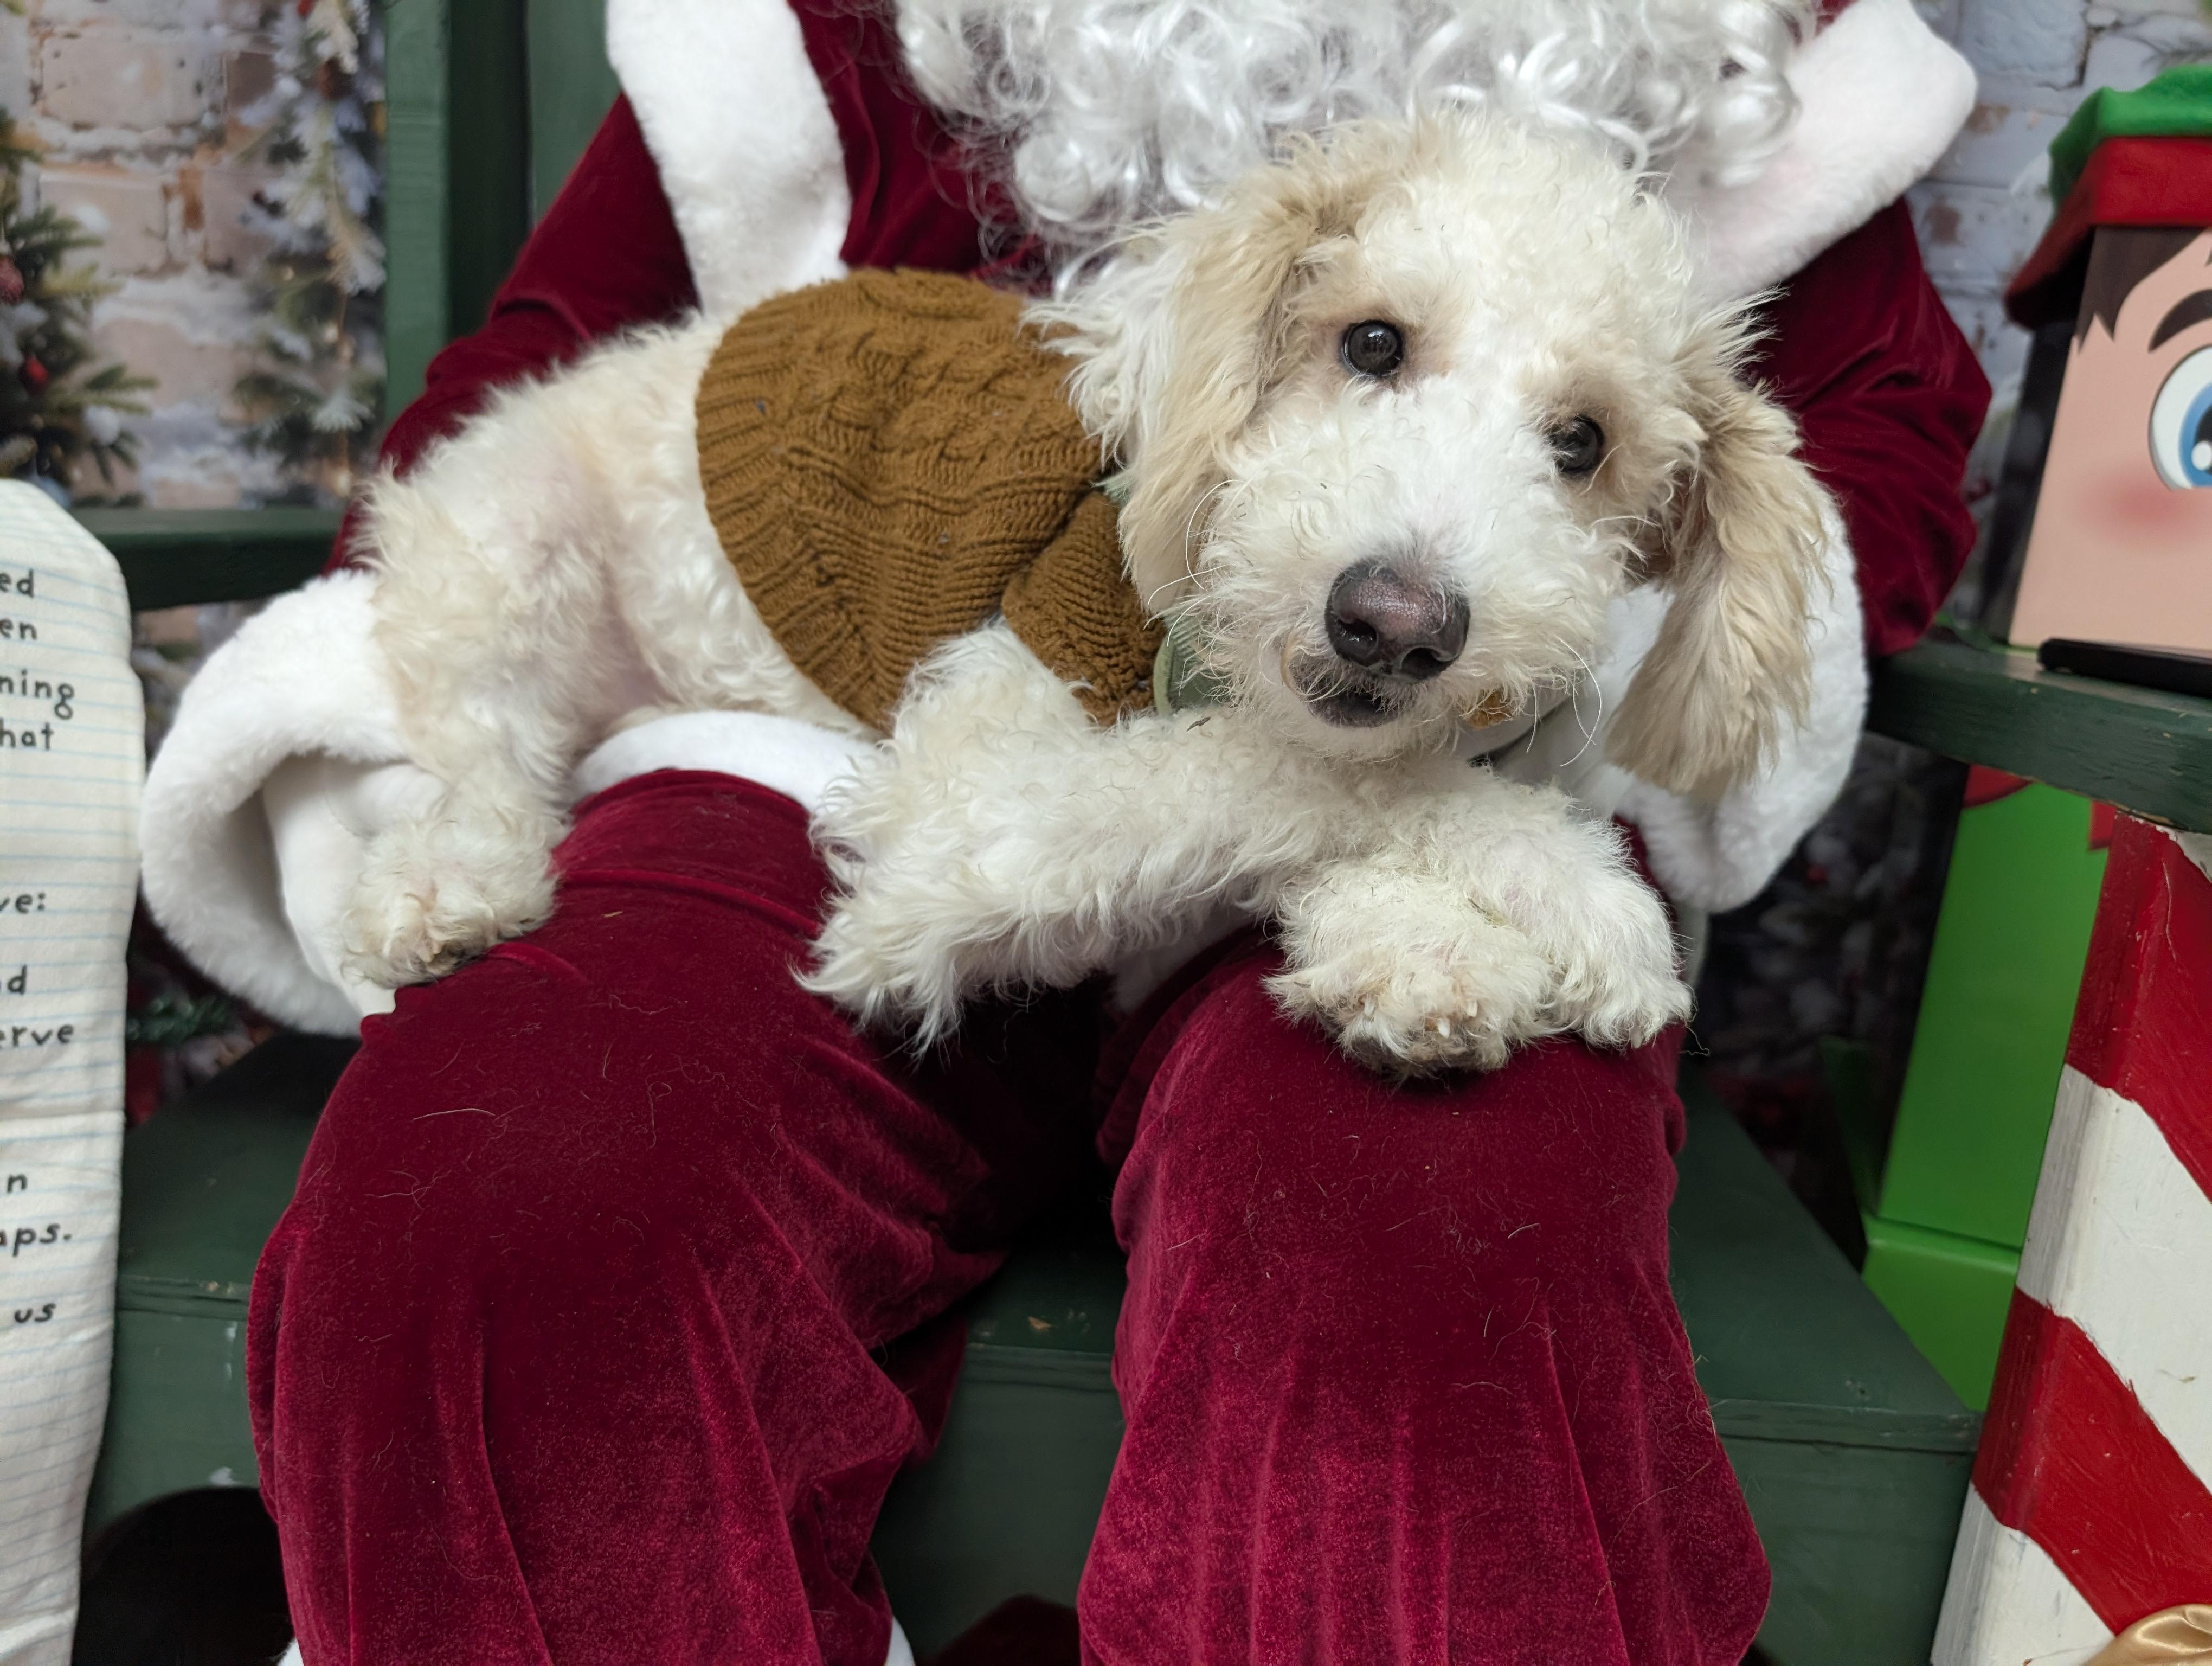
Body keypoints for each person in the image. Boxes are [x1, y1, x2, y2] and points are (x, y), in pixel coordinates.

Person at [137, 1, 1991, 1661]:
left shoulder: (1781, 77)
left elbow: (1856, 504)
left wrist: (1560, 784)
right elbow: (537, 389)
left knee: (1439, 1270)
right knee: (504, 1215)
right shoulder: (799, 49)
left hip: (1458, 779)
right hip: (806, 732)